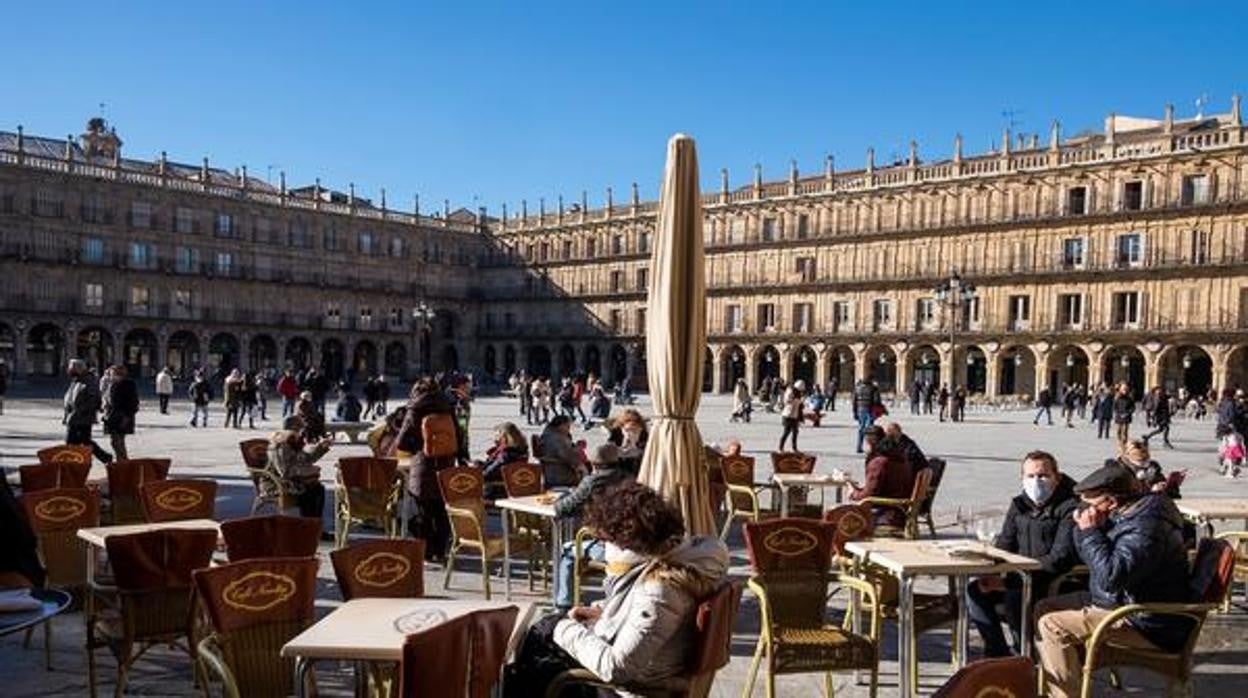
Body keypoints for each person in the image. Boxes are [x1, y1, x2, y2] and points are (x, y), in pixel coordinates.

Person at [506, 481, 728, 695]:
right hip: (655, 672)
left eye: (607, 541)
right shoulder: (685, 561)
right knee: (540, 644)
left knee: (537, 653)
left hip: (633, 690)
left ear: (628, 545)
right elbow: (652, 621)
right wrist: (603, 613)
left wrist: (562, 628)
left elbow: (616, 667)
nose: (605, 549)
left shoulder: (660, 590)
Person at [1035, 464, 1194, 698]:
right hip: (1122, 604)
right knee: (1044, 607)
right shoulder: (1129, 514)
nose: (1082, 509)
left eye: (1088, 503)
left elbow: (1111, 577)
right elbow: (1091, 561)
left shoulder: (1146, 529)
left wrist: (1089, 532)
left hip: (1146, 621)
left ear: (1111, 502)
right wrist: (1085, 530)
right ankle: (1065, 681)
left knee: (1053, 626)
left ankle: (1064, 694)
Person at [967, 451, 1079, 658]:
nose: (1036, 481)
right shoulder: (1019, 504)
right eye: (1030, 476)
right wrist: (989, 566)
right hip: (1020, 576)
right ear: (1022, 478)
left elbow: (1060, 558)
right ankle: (997, 653)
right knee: (975, 589)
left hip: (1055, 581)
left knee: (1014, 597)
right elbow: (1004, 545)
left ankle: (1025, 656)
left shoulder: (1070, 508)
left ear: (1057, 477)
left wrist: (1009, 581)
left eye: (1043, 475)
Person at [551, 443, 634, 610]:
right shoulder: (629, 478)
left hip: (606, 546)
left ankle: (563, 603)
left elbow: (563, 508)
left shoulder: (592, 481)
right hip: (629, 543)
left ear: (594, 464)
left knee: (566, 550)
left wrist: (562, 498)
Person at [395, 377, 467, 562]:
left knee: (422, 508)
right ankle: (441, 549)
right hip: (446, 464)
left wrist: (419, 449)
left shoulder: (415, 408)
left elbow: (401, 441)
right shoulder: (447, 405)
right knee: (441, 509)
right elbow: (459, 436)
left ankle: (426, 551)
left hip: (424, 465)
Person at [267, 415, 332, 522]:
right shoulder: (281, 443)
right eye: (300, 427)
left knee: (317, 489)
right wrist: (307, 472)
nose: (302, 431)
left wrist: (321, 448)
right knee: (312, 491)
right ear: (293, 427)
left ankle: (314, 526)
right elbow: (284, 470)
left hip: (295, 479)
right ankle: (309, 526)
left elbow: (306, 459)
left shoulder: (293, 441)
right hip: (281, 482)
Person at [848, 426, 914, 528]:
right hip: (900, 508)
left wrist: (853, 493)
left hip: (888, 512)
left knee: (839, 515)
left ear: (869, 441)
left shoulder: (879, 462)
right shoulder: (900, 457)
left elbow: (869, 495)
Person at [63, 359, 112, 463]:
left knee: (76, 442)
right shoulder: (77, 380)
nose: (68, 370)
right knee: (81, 442)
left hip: (82, 418)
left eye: (71, 368)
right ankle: (77, 462)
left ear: (78, 369)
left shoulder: (88, 381)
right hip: (74, 417)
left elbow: (93, 399)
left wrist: (80, 411)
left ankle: (74, 462)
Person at [102, 364, 139, 461]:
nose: (111, 376)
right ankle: (122, 460)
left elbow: (133, 403)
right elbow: (108, 399)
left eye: (113, 373)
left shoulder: (128, 385)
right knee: (116, 441)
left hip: (121, 417)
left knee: (117, 441)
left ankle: (123, 461)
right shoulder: (112, 384)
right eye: (111, 374)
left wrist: (127, 416)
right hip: (112, 416)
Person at [540, 415, 585, 487]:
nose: (569, 429)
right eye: (567, 426)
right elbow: (568, 456)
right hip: (559, 472)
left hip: (552, 470)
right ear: (561, 425)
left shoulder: (549, 434)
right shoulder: (556, 438)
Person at [607, 408, 649, 476]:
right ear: (621, 429)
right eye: (627, 430)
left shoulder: (647, 444)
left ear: (640, 430)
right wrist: (624, 445)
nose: (630, 433)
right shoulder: (614, 441)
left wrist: (634, 445)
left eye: (634, 430)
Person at [852, 378, 881, 453]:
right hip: (870, 410)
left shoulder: (857, 388)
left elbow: (854, 401)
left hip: (860, 409)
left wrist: (854, 412)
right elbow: (876, 401)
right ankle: (872, 447)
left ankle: (859, 446)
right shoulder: (873, 388)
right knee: (870, 430)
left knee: (861, 428)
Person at [779, 379, 805, 451]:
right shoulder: (790, 391)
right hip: (788, 415)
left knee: (795, 432)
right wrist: (797, 401)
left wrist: (800, 402)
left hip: (794, 415)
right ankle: (781, 447)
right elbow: (787, 401)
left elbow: (799, 404)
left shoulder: (798, 393)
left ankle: (794, 447)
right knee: (786, 432)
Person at [1112, 382, 1136, 452]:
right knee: (1118, 431)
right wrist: (1118, 413)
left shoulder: (1129, 398)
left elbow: (1133, 407)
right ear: (1121, 390)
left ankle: (1124, 443)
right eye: (1123, 389)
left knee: (1125, 431)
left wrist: (1128, 413)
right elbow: (1114, 407)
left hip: (1126, 417)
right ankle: (1120, 442)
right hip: (1119, 416)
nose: (1125, 391)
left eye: (1126, 389)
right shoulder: (1117, 398)